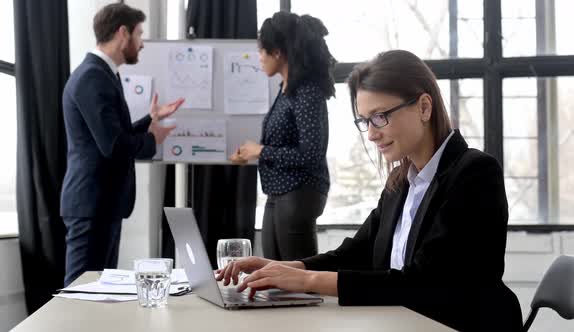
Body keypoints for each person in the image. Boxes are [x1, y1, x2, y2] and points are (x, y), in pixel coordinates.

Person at [219, 50, 523, 331]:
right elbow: (357, 253)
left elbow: (425, 284)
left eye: (380, 116)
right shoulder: (400, 181)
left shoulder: (474, 174)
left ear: (424, 107)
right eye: (365, 121)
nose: (372, 133)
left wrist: (306, 280)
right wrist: (283, 267)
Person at [60, 3, 184, 286]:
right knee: (80, 292)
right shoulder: (93, 76)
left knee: (98, 290)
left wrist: (149, 121)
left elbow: (111, 134)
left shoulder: (103, 74)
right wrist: (153, 139)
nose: (142, 44)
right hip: (91, 204)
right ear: (122, 33)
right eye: (139, 34)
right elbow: (114, 146)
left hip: (101, 204)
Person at [230, 12, 335, 261]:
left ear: (277, 52)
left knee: (296, 280)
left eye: (262, 51)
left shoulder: (306, 91)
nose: (259, 58)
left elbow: (311, 154)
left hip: (299, 192)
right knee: (275, 274)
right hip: (279, 191)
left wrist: (261, 151)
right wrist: (252, 152)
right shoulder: (287, 89)